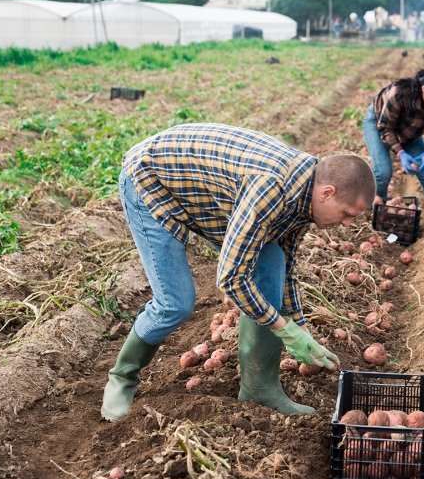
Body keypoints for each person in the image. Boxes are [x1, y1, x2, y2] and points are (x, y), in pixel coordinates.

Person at [101, 123, 375, 421]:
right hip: (151, 181)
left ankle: (259, 387)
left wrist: (301, 326)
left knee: (271, 265)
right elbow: (231, 278)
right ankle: (123, 376)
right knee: (175, 303)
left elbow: (287, 262)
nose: (348, 224)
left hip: (204, 192)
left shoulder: (306, 195)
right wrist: (284, 329)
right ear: (327, 192)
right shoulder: (271, 189)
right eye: (347, 213)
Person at [363, 67, 424, 234]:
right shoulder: (399, 94)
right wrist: (401, 154)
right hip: (380, 123)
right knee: (383, 171)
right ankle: (378, 212)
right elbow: (386, 129)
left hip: (410, 132)